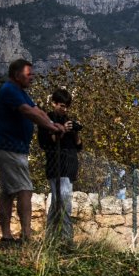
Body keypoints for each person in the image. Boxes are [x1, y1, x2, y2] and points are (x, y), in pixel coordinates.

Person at [0, 59, 65, 244]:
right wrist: (52, 128)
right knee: (25, 189)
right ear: (17, 75)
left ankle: (7, 236)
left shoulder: (20, 92)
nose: (32, 77)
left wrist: (52, 123)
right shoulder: (10, 90)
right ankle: (26, 235)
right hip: (10, 148)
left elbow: (37, 110)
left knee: (9, 191)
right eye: (28, 74)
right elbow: (28, 112)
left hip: (15, 148)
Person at [38, 88, 83, 241]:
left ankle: (50, 238)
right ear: (54, 103)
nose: (64, 109)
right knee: (64, 203)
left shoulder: (68, 121)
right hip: (56, 167)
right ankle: (66, 238)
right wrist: (62, 130)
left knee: (58, 203)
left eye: (66, 107)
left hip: (70, 167)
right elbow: (45, 143)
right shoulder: (47, 120)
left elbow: (79, 146)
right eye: (62, 106)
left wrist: (75, 132)